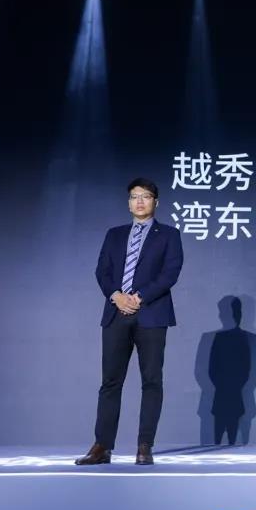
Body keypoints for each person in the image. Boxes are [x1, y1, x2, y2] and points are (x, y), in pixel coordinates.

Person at [76, 178, 184, 466]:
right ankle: (102, 446)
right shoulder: (114, 234)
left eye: (145, 196)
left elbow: (171, 272)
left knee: (152, 381)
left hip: (151, 313)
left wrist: (139, 297)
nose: (139, 201)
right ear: (128, 202)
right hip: (116, 313)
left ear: (155, 202)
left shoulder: (169, 234)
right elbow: (102, 271)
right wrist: (116, 296)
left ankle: (144, 445)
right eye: (135, 196)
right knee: (110, 382)